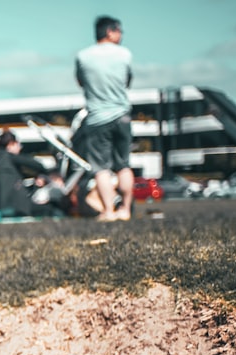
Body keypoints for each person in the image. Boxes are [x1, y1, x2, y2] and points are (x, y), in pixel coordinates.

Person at [75, 15, 134, 221]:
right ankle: (125, 210)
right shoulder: (124, 54)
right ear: (110, 31)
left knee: (101, 169)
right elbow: (127, 80)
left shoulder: (83, 56)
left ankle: (108, 211)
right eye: (120, 32)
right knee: (124, 166)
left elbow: (81, 82)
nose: (121, 36)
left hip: (97, 118)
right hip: (122, 115)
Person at [0, 130, 64, 217]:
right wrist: (48, 173)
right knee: (53, 211)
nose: (20, 148)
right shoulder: (9, 157)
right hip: (16, 208)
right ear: (11, 144)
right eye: (18, 144)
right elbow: (36, 165)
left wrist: (35, 177)